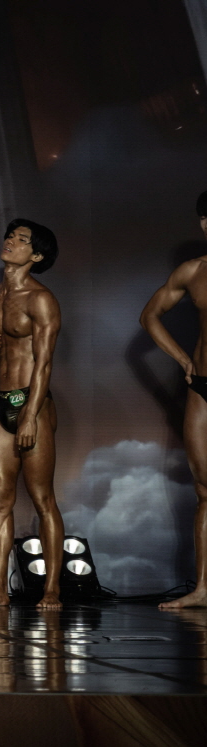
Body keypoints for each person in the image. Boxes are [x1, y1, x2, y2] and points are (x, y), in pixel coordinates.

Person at [0, 220, 64, 610]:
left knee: (42, 498)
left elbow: (44, 363)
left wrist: (30, 415)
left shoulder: (41, 300)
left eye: (21, 240)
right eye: (10, 236)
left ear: (35, 255)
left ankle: (52, 590)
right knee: (0, 500)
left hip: (33, 403)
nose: (11, 241)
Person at [139, 191, 207, 610]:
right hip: (202, 386)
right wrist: (183, 359)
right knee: (204, 490)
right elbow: (149, 316)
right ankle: (204, 589)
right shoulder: (193, 271)